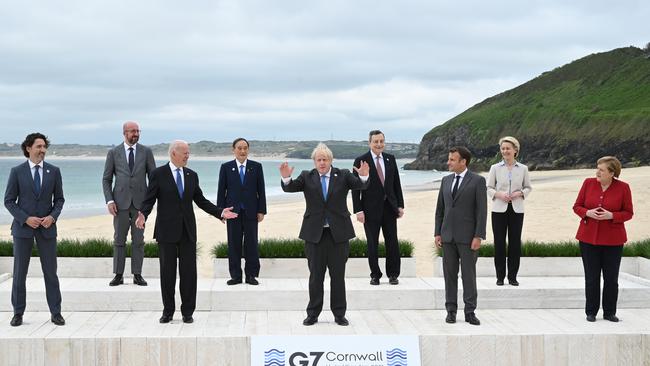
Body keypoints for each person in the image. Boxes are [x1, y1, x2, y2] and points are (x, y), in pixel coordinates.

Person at [136, 140, 237, 324]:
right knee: (167, 274)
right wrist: (143, 214)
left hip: (188, 231)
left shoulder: (192, 175)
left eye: (188, 153)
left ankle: (187, 312)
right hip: (166, 232)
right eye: (185, 153)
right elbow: (149, 199)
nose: (187, 156)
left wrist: (220, 212)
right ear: (173, 153)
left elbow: (200, 200)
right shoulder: (158, 174)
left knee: (189, 274)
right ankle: (168, 311)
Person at [280, 143, 369, 326]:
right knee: (316, 277)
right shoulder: (307, 176)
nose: (322, 162)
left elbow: (361, 185)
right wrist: (286, 178)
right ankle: (313, 313)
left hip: (339, 235)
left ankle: (339, 314)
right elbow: (290, 188)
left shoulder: (343, 175)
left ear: (331, 160)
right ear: (314, 161)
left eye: (325, 159)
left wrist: (364, 175)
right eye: (318, 160)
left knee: (338, 277)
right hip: (314, 235)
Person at [4, 133, 65, 327]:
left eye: (44, 147)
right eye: (39, 146)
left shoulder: (54, 171)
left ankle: (56, 313)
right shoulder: (17, 171)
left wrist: (52, 217)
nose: (43, 150)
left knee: (50, 273)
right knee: (20, 273)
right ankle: (17, 313)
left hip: (47, 230)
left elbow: (60, 200)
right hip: (23, 230)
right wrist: (25, 218)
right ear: (28, 148)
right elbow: (9, 201)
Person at [573, 156, 633, 323]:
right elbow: (577, 206)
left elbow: (629, 213)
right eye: (597, 168)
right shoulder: (588, 183)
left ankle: (609, 313)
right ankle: (591, 312)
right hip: (588, 238)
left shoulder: (623, 188)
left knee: (611, 279)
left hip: (613, 241)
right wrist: (587, 213)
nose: (597, 172)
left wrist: (612, 215)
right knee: (591, 278)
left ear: (612, 173)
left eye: (601, 169)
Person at [434, 146, 487, 326]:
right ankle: (451, 311)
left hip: (468, 238)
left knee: (468, 276)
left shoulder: (477, 181)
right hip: (447, 236)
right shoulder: (445, 181)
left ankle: (470, 311)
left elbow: (482, 211)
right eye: (449, 159)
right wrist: (437, 232)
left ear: (463, 162)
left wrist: (478, 235)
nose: (448, 162)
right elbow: (440, 210)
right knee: (449, 276)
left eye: (452, 159)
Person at [102, 121, 156, 287]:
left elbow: (153, 178)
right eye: (133, 131)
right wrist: (109, 200)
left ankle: (137, 275)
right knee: (119, 240)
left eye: (138, 131)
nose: (136, 134)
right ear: (124, 133)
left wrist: (149, 204)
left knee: (138, 241)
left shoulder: (146, 152)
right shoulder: (113, 152)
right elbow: (106, 179)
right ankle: (118, 275)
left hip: (140, 205)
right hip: (120, 204)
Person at [352, 130, 405, 285]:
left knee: (392, 242)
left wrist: (400, 205)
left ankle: (393, 274)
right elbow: (355, 188)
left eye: (381, 141)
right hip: (369, 210)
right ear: (370, 143)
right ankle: (375, 275)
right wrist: (358, 210)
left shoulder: (390, 159)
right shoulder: (361, 160)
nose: (379, 144)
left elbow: (396, 183)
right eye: (376, 141)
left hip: (390, 208)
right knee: (372, 243)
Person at [217, 138, 267, 286]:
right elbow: (221, 191)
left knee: (251, 244)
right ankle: (236, 276)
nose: (242, 151)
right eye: (239, 148)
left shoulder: (256, 167)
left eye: (245, 148)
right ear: (233, 150)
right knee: (234, 244)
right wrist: (220, 212)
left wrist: (261, 210)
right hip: (232, 212)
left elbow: (261, 190)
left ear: (248, 150)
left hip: (251, 212)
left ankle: (251, 275)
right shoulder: (226, 167)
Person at [486, 136, 532, 286]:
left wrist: (520, 193)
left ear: (515, 150)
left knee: (514, 243)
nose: (505, 151)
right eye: (503, 148)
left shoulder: (523, 168)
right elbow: (489, 188)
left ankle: (512, 277)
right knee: (499, 243)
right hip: (499, 209)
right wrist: (499, 195)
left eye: (508, 148)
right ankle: (500, 277)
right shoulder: (495, 168)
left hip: (517, 209)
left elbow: (528, 187)